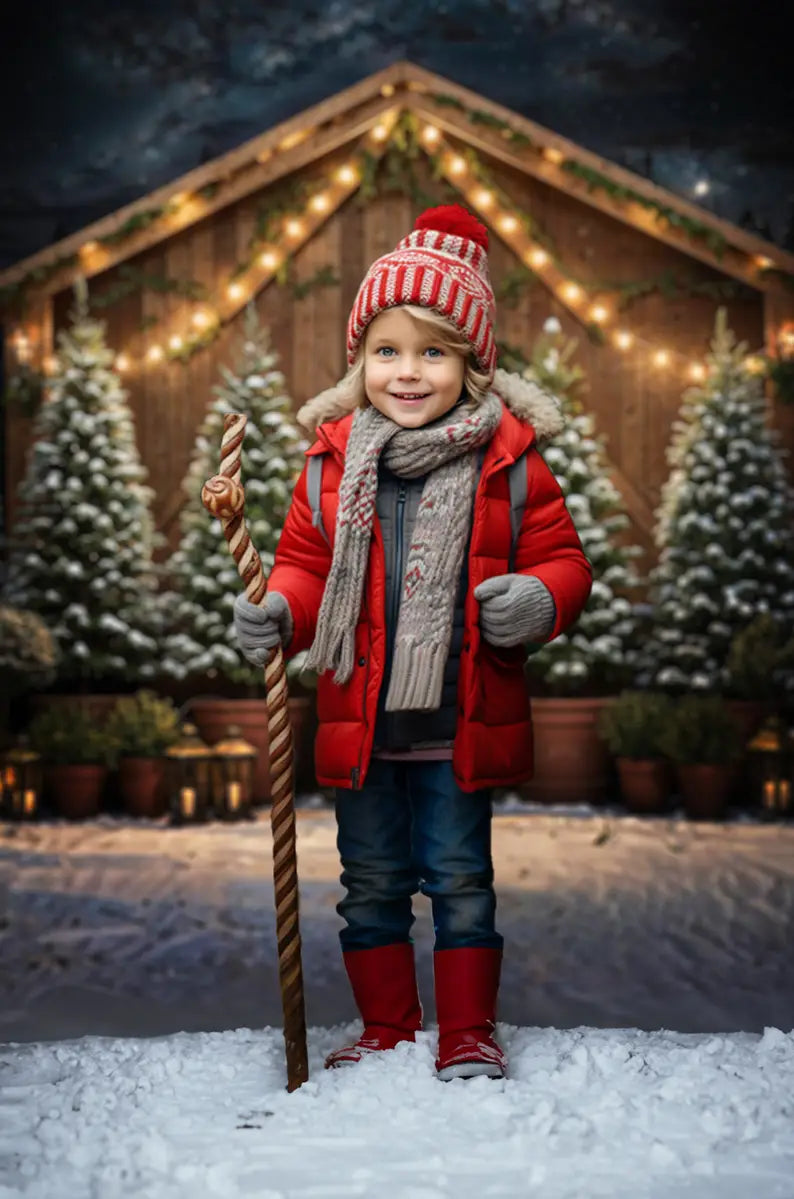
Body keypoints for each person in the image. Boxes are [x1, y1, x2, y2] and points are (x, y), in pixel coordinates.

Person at [233, 204, 592, 1080]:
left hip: (456, 719)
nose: (408, 370)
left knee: (462, 879)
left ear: (471, 362)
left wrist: (541, 597)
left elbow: (562, 557)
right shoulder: (331, 463)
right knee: (371, 882)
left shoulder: (507, 460)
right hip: (363, 720)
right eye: (388, 349)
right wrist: (281, 609)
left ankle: (469, 1029)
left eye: (434, 350)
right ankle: (388, 1024)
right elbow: (307, 566)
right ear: (361, 357)